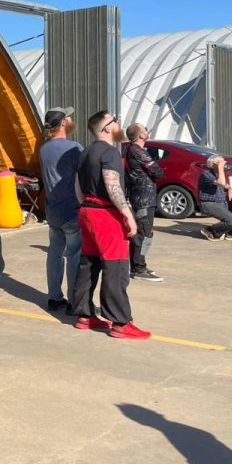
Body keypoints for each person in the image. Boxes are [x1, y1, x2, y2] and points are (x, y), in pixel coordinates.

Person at [74, 111, 150, 340]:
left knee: (89, 264)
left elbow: (76, 185)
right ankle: (120, 322)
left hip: (87, 211)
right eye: (115, 120)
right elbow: (112, 185)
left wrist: (83, 207)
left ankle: (84, 316)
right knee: (115, 269)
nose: (119, 123)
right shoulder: (110, 153)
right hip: (106, 215)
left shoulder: (85, 152)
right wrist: (127, 214)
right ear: (107, 128)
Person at [38, 106, 83, 311]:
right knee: (74, 254)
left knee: (55, 252)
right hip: (72, 208)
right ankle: (75, 300)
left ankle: (54, 297)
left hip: (53, 209)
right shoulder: (74, 148)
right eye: (69, 117)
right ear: (63, 122)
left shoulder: (44, 148)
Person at [124, 123, 164, 280]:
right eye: (145, 129)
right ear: (140, 135)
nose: (148, 130)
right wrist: (156, 169)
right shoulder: (137, 150)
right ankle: (138, 268)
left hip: (145, 197)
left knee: (146, 232)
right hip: (143, 198)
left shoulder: (134, 150)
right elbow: (158, 172)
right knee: (143, 233)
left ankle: (140, 264)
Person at [198, 155, 232, 241]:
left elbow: (225, 184)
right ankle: (211, 230)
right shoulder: (206, 174)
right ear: (215, 164)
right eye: (222, 162)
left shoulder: (216, 174)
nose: (224, 164)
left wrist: (230, 189)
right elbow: (221, 182)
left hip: (222, 203)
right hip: (210, 204)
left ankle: (230, 231)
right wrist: (220, 167)